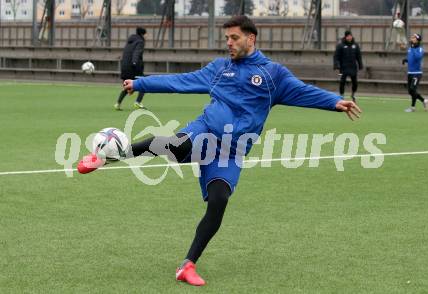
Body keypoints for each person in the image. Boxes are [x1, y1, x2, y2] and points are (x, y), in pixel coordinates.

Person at [78, 16, 361, 286]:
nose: (228, 42)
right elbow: (181, 81)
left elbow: (302, 91)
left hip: (230, 152)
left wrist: (335, 102)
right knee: (174, 144)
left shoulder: (273, 75)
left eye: (234, 37)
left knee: (219, 201)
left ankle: (187, 265)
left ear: (251, 39)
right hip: (204, 131)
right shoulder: (218, 69)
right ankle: (105, 157)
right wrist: (140, 83)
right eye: (226, 37)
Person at [114, 27, 147, 111]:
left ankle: (118, 104)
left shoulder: (130, 41)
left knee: (128, 86)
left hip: (125, 67)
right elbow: (137, 53)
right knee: (144, 83)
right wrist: (135, 63)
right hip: (133, 67)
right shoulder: (140, 42)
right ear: (143, 34)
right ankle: (138, 102)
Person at [333, 30, 363, 104]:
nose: (349, 37)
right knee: (342, 82)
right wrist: (337, 65)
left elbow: (358, 56)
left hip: (353, 67)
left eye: (350, 36)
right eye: (348, 36)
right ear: (345, 37)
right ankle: (341, 96)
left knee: (355, 82)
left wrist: (360, 64)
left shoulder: (355, 45)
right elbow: (336, 57)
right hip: (343, 68)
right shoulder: (340, 45)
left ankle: (353, 94)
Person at [402, 33, 428, 112]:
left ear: (417, 40)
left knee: (412, 89)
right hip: (410, 73)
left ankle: (413, 107)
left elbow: (418, 57)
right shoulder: (410, 48)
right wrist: (405, 60)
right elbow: (410, 58)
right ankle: (424, 101)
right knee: (410, 91)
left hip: (417, 73)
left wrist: (414, 48)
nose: (412, 38)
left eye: (414, 38)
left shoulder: (420, 49)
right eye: (412, 37)